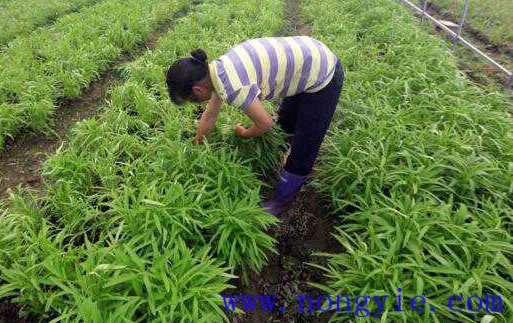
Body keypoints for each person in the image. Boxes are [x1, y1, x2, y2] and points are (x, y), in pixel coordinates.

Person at [166, 36, 344, 216]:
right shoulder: (216, 71)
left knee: (305, 146)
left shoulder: (233, 87)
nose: (196, 103)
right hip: (306, 59)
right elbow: (210, 115)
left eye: (192, 100)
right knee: (287, 122)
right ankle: (279, 160)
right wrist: (198, 140)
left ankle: (281, 203)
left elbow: (265, 123)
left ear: (197, 90)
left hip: (324, 73)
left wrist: (245, 133)